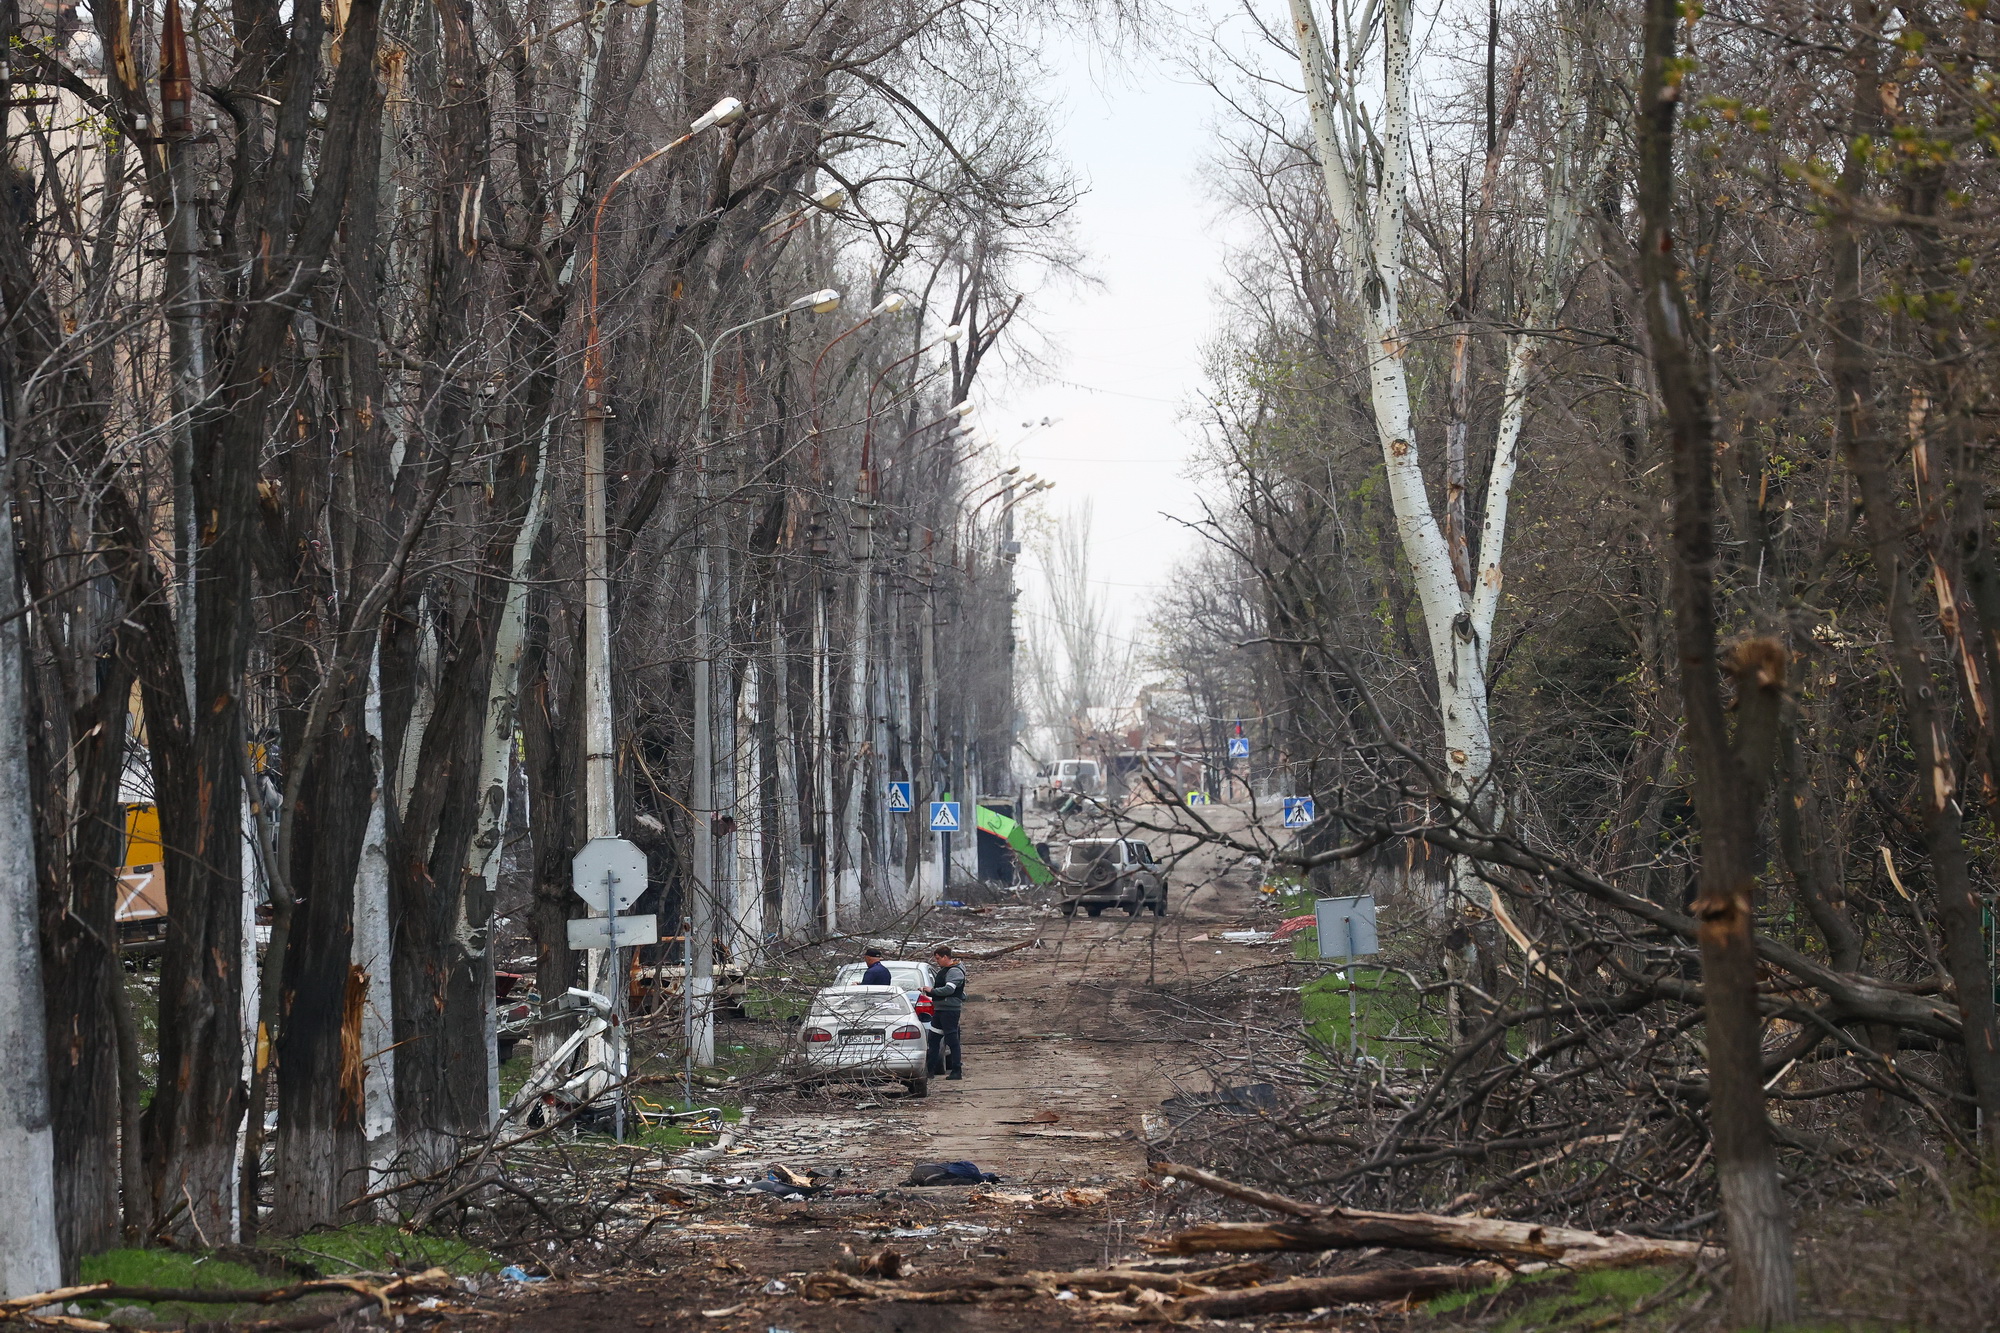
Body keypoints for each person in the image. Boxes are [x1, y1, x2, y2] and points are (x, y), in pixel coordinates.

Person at [923, 945, 966, 1081]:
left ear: (945, 957)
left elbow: (949, 989)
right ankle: (930, 1071)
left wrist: (931, 991)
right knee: (933, 1039)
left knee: (952, 1040)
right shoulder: (946, 970)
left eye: (938, 959)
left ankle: (956, 1071)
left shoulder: (954, 971)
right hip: (940, 1010)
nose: (937, 962)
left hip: (949, 1011)